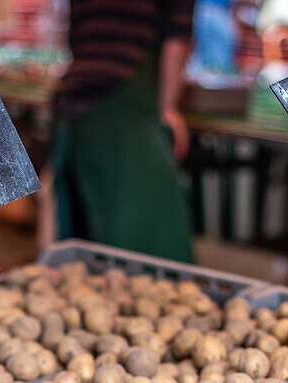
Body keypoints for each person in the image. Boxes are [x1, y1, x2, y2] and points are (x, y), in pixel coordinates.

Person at [52, 0, 196, 263]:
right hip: (123, 108)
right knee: (151, 253)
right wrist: (167, 109)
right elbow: (176, 39)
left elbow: (72, 33)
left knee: (86, 252)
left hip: (77, 107)